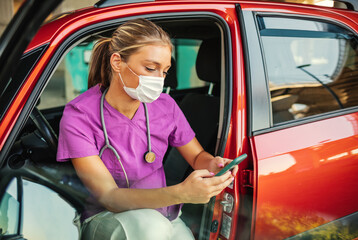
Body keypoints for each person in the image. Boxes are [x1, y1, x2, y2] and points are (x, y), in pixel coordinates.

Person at [57, 18, 237, 240]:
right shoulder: (79, 116)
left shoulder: (166, 106)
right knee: (152, 228)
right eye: (150, 68)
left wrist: (214, 164)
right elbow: (109, 197)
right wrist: (181, 193)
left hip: (163, 212)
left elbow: (198, 155)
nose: (159, 80)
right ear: (117, 62)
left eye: (164, 71)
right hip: (107, 216)